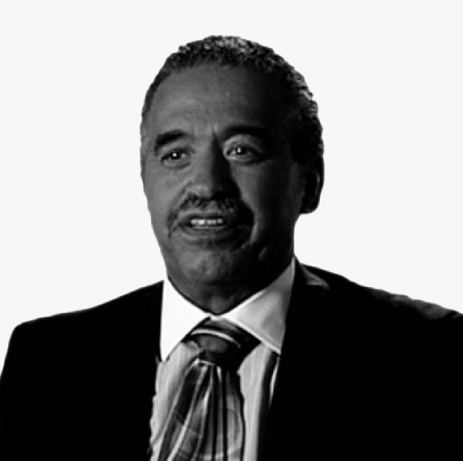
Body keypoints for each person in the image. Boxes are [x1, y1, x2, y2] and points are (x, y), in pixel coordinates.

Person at [1, 35, 462, 460]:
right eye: (176, 155)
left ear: (310, 183)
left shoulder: (428, 355)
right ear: (145, 181)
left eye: (242, 151)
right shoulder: (48, 362)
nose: (206, 184)